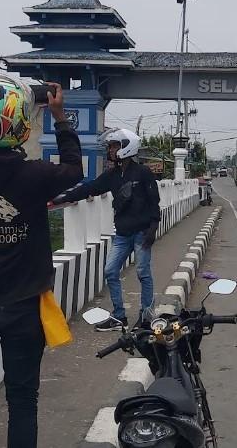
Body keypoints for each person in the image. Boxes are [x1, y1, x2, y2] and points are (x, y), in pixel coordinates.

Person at [0, 78, 83, 448]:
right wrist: (58, 116)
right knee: (22, 401)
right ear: (18, 123)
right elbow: (74, 170)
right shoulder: (36, 175)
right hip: (23, 305)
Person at [55, 128, 161, 331]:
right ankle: (119, 316)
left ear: (126, 147)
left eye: (114, 146)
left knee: (143, 274)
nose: (110, 150)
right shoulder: (112, 175)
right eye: (110, 146)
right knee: (110, 271)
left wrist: (153, 229)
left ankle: (147, 316)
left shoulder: (143, 173)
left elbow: (154, 202)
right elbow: (90, 188)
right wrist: (64, 197)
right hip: (122, 234)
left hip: (142, 233)